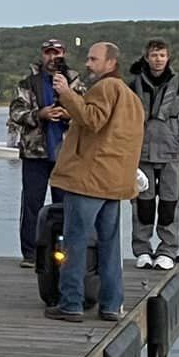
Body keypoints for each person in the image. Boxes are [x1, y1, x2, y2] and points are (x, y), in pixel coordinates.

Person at [46, 42, 143, 323]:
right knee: (110, 246)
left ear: (110, 62)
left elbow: (93, 119)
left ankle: (71, 303)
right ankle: (112, 305)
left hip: (89, 180)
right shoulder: (130, 97)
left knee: (75, 242)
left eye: (93, 59)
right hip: (114, 181)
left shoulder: (105, 88)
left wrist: (66, 94)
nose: (88, 63)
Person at [129, 40, 179, 269]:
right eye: (153, 55)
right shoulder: (134, 85)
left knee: (170, 204)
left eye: (161, 55)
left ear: (168, 57)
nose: (158, 59)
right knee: (143, 203)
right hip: (142, 152)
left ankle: (167, 250)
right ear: (146, 57)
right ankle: (142, 249)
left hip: (171, 152)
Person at [7, 38, 71, 266]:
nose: (52, 57)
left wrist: (67, 113)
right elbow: (15, 112)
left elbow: (87, 111)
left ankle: (62, 251)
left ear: (63, 53)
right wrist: (39, 114)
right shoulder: (27, 83)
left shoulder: (74, 82)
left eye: (57, 53)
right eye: (48, 53)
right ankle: (31, 253)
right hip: (35, 153)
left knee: (64, 205)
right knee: (32, 204)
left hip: (65, 154)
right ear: (42, 55)